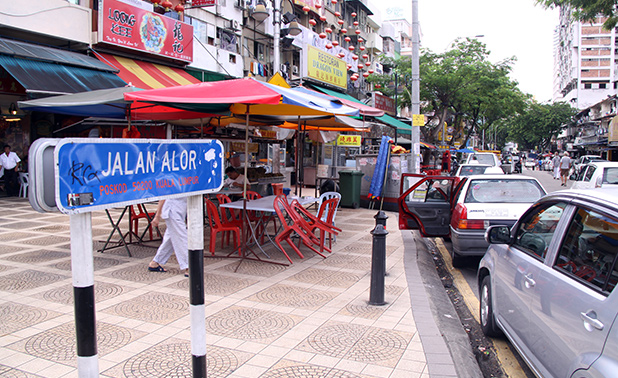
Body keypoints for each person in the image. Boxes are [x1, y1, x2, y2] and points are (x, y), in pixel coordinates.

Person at [147, 198, 189, 277]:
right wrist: (157, 216)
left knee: (169, 240)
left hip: (179, 213)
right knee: (181, 238)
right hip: (172, 212)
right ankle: (188, 266)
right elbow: (163, 197)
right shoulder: (172, 185)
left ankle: (155, 262)